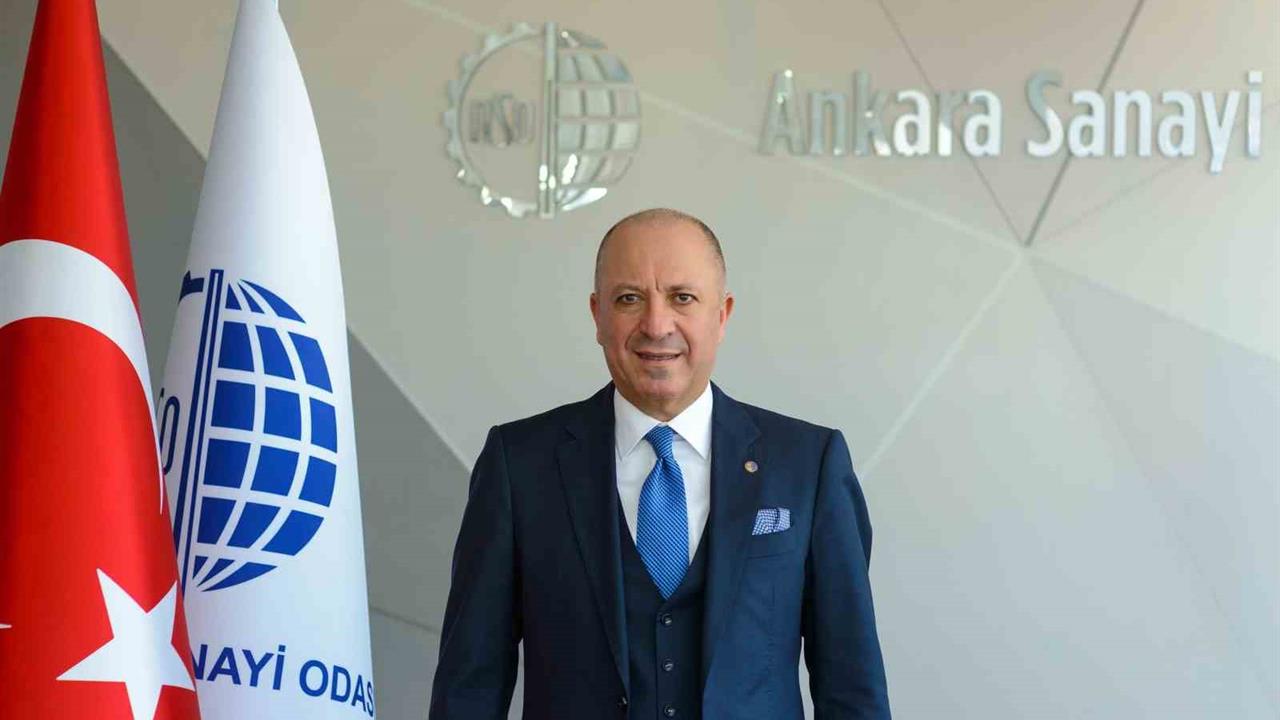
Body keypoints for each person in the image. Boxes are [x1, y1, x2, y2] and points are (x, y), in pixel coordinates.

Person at [428, 209, 891, 719]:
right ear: (597, 315)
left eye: (682, 298)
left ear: (722, 315)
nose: (656, 325)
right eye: (629, 299)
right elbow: (468, 688)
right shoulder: (518, 465)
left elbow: (852, 688)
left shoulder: (809, 464)